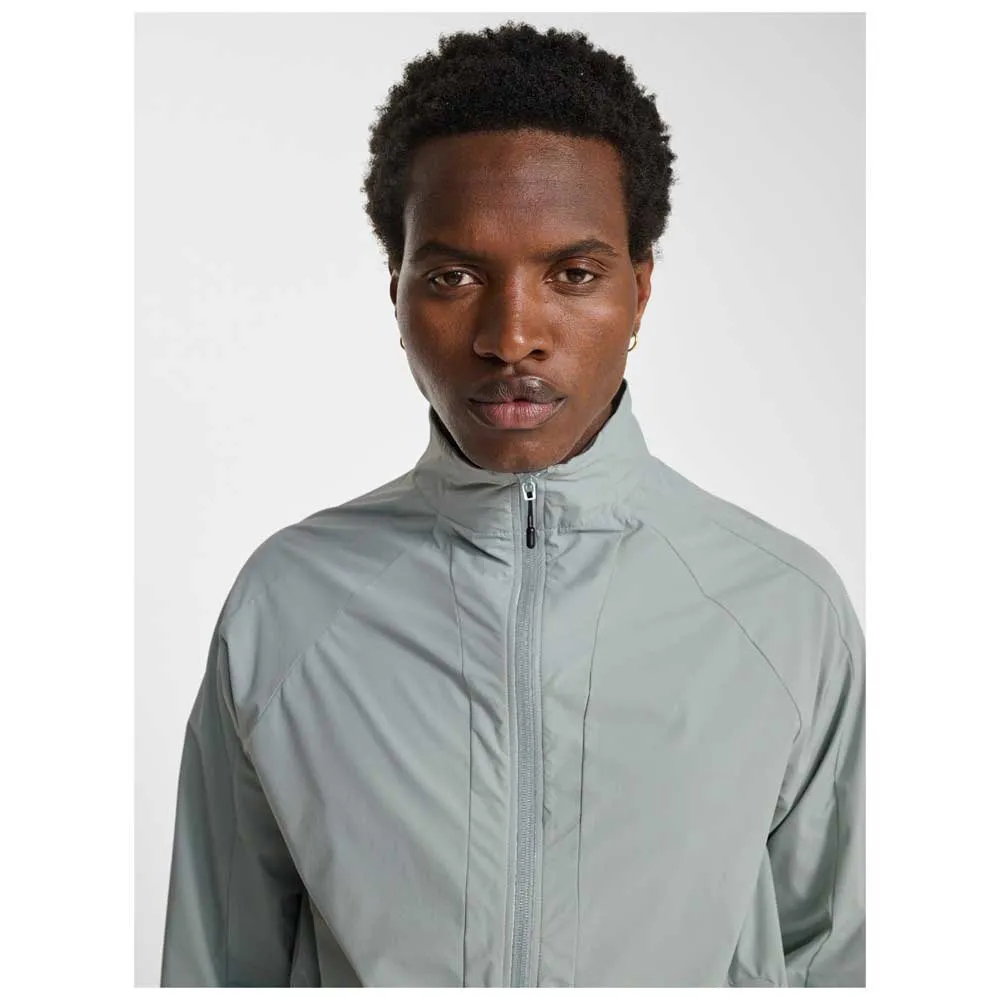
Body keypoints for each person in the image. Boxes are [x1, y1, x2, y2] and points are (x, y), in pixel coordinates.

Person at [160, 21, 865, 988]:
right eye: (453, 277)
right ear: (396, 292)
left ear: (639, 290)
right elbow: (216, 968)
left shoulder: (782, 610)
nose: (511, 335)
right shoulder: (289, 606)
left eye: (573, 274)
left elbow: (842, 959)